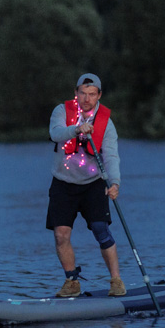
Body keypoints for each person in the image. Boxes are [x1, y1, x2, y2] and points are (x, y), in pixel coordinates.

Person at [47, 73, 124, 298]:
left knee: (101, 230)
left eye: (92, 94)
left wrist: (115, 183)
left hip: (93, 184)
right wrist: (77, 129)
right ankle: (72, 282)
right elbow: (55, 133)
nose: (86, 98)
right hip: (63, 183)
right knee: (61, 234)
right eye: (82, 93)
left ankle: (116, 281)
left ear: (99, 95)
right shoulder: (62, 111)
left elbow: (111, 156)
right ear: (76, 92)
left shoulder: (105, 122)